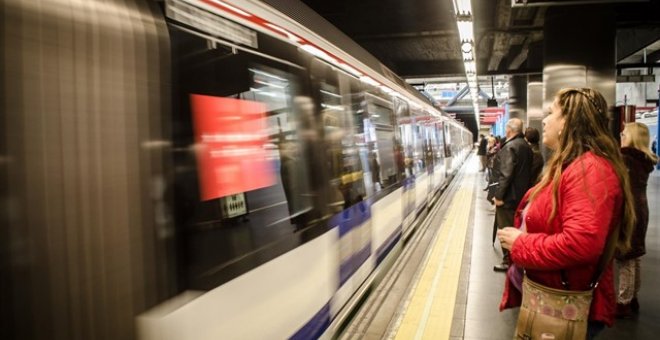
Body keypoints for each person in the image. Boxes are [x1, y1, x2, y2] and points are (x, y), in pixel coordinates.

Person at [497, 88, 636, 339]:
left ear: (569, 122)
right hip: (551, 299)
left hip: (563, 305)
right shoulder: (573, 165)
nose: (545, 119)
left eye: (552, 112)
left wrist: (521, 243)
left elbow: (581, 244)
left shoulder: (590, 171)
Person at [615, 123, 658, 318]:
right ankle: (632, 298)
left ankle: (623, 301)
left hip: (629, 211)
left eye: (624, 133)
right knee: (634, 256)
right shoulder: (644, 160)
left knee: (626, 257)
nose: (621, 135)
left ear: (631, 136)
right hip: (641, 208)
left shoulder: (625, 159)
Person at [491, 118, 533, 271]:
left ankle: (509, 261)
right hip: (521, 196)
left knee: (505, 229)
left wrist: (499, 197)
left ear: (508, 130)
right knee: (516, 228)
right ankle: (514, 260)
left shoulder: (510, 147)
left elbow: (506, 174)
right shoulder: (525, 146)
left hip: (509, 198)